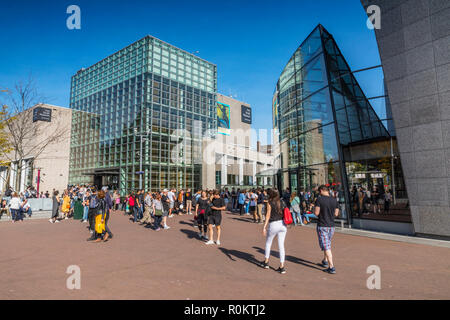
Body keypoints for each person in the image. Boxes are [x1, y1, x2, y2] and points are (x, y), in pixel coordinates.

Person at [260, 189, 287, 274]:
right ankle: (282, 266)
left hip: (273, 224)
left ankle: (266, 262)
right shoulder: (282, 202)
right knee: (281, 246)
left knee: (268, 243)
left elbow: (268, 215)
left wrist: (264, 227)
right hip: (283, 224)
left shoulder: (270, 202)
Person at [314, 185, 339, 274]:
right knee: (327, 242)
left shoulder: (319, 200)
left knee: (326, 246)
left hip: (322, 224)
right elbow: (336, 213)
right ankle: (325, 260)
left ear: (321, 191)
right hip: (331, 225)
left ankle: (331, 266)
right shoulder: (334, 199)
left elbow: (316, 213)